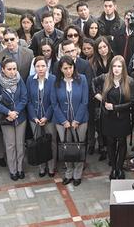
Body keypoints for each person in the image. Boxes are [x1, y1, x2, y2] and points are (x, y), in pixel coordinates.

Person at [92, 55, 134, 178]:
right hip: (108, 117)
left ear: (123, 68)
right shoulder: (105, 78)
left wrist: (115, 107)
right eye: (114, 66)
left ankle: (120, 168)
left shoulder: (129, 81)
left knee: (121, 142)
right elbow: (92, 82)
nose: (116, 69)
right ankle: (114, 168)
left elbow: (132, 102)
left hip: (123, 118)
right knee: (110, 142)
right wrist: (97, 95)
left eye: (119, 66)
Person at [51, 55, 88, 186]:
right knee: (66, 147)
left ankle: (77, 173)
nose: (68, 71)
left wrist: (77, 120)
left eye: (70, 67)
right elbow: (54, 104)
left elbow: (85, 101)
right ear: (60, 69)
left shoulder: (82, 79)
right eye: (65, 68)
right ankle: (68, 172)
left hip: (81, 121)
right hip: (62, 123)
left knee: (78, 146)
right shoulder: (56, 82)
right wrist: (64, 121)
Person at [0, 58, 27, 181]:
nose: (12, 72)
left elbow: (24, 98)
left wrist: (16, 111)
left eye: (14, 69)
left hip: (20, 118)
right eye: (9, 69)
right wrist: (8, 112)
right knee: (10, 145)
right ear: (3, 69)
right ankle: (13, 170)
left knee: (20, 144)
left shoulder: (19, 80)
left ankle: (20, 168)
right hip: (6, 119)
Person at [26, 56, 57, 177]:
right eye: (38, 66)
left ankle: (51, 167)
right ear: (34, 68)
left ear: (47, 67)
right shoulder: (30, 80)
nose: (40, 69)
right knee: (38, 142)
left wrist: (46, 117)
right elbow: (28, 100)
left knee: (51, 142)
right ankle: (41, 167)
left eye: (43, 66)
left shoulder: (53, 79)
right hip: (35, 119)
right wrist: (34, 117)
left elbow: (54, 101)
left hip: (49, 118)